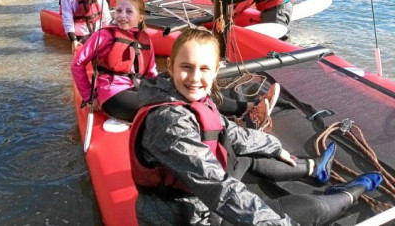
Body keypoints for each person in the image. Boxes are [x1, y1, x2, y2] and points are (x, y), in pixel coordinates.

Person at [129, 28, 383, 225]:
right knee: (312, 210)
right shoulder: (168, 123)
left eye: (204, 69)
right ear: (171, 67)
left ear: (216, 71)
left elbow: (230, 131)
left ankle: (314, 168)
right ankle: (352, 192)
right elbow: (217, 188)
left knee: (246, 156)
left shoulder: (186, 96)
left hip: (200, 199)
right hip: (188, 217)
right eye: (186, 68)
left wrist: (272, 147)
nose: (195, 78)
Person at [71, 0, 158, 122]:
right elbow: (77, 64)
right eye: (119, 10)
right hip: (112, 94)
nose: (122, 15)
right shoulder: (104, 35)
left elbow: (151, 72)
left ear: (140, 18)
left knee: (168, 99)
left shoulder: (145, 39)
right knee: (157, 109)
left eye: (129, 11)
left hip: (137, 89)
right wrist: (88, 96)